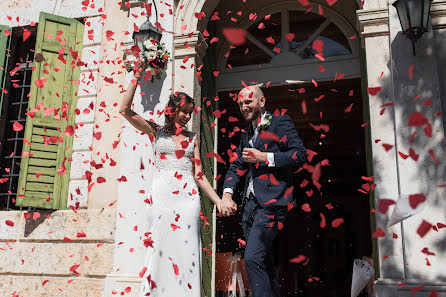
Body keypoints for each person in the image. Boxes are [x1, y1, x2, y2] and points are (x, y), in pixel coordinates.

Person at [119, 64, 222, 297]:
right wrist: (136, 74)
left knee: (187, 250)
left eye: (190, 112)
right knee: (160, 245)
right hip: (162, 195)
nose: (187, 116)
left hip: (188, 198)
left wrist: (217, 201)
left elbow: (199, 175)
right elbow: (124, 109)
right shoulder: (155, 131)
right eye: (184, 111)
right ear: (172, 110)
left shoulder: (193, 138)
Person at [220, 85, 307, 297]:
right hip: (250, 208)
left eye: (248, 102)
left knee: (252, 258)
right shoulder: (247, 133)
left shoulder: (280, 123)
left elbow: (300, 155)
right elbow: (236, 166)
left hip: (272, 205)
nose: (243, 107)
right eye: (240, 104)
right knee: (264, 262)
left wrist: (264, 158)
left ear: (262, 102)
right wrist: (227, 193)